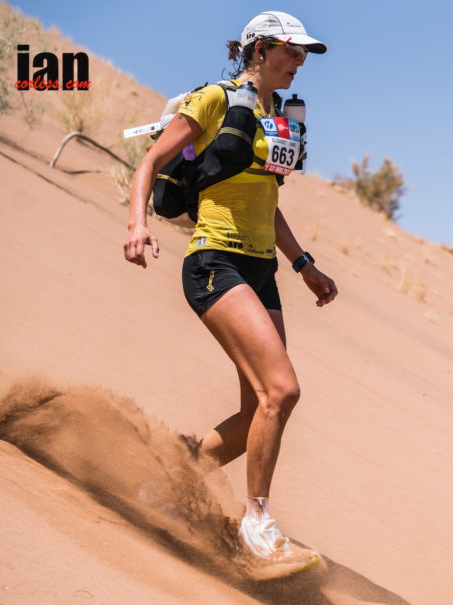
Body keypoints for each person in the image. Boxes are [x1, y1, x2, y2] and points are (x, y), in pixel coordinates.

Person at [123, 11, 337, 568]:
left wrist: (304, 264)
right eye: (292, 52)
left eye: (305, 55)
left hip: (262, 268)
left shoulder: (274, 117)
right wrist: (137, 224)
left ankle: (167, 478)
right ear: (260, 50)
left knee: (254, 417)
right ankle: (258, 521)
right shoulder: (217, 100)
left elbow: (269, 203)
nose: (300, 63)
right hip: (215, 262)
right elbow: (152, 159)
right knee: (282, 392)